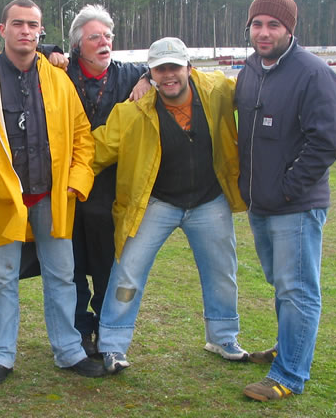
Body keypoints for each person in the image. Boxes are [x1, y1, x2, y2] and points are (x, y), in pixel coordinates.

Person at [0, 0, 106, 385]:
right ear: (2, 29)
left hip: (53, 196)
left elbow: (81, 138)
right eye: (18, 24)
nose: (26, 31)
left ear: (41, 31)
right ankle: (1, 357)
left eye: (33, 25)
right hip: (2, 198)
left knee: (63, 274)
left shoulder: (59, 79)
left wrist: (76, 183)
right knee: (2, 278)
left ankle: (69, 350)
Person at [92, 37, 250, 374]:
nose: (169, 76)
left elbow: (259, 93)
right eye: (160, 69)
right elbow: (96, 151)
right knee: (128, 270)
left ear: (189, 68)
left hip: (209, 200)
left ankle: (223, 337)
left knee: (222, 270)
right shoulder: (132, 113)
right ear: (150, 74)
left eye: (174, 68)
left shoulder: (219, 91)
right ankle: (112, 346)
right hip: (156, 202)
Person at [235, 0, 336, 401]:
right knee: (281, 282)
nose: (264, 33)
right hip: (260, 203)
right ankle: (288, 346)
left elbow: (328, 142)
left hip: (295, 206)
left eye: (274, 25)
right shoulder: (250, 70)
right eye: (257, 24)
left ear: (289, 29)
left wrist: (286, 189)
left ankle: (289, 375)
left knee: (298, 288)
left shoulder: (313, 74)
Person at [59, 5, 150, 356]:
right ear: (78, 45)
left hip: (110, 190)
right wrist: (51, 51)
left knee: (107, 264)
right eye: (94, 37)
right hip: (65, 185)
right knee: (71, 264)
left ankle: (105, 329)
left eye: (108, 36)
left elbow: (165, 68)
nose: (104, 43)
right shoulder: (61, 73)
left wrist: (148, 79)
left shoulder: (129, 75)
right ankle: (79, 329)